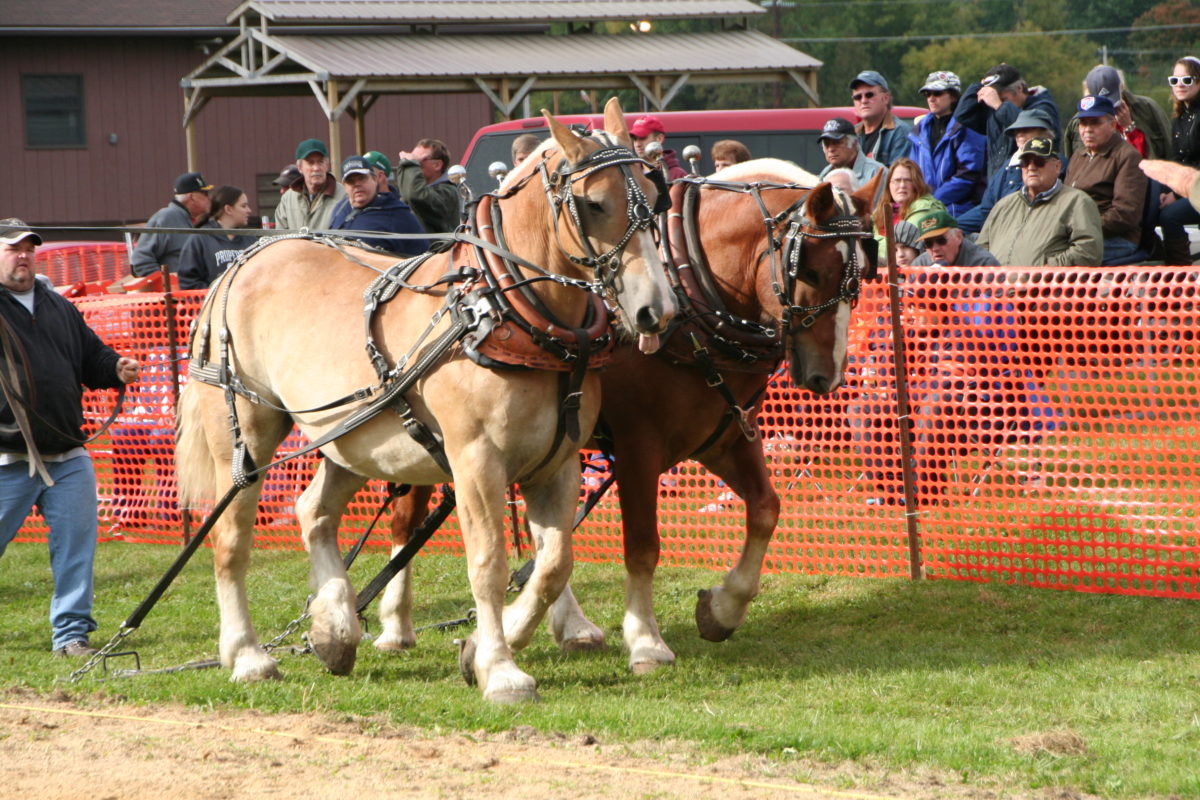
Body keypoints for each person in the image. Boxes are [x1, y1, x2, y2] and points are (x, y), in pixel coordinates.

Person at [0, 219, 140, 656]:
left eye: (28, 248)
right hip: (7, 457)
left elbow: (89, 354)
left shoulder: (57, 305)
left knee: (76, 551)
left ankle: (71, 636)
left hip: (67, 453)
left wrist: (114, 366)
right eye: (12, 248)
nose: (23, 255)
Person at [977, 137, 1103, 267]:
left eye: (1039, 162)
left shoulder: (1077, 201)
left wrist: (1047, 270)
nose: (1031, 168)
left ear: (1057, 166)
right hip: (996, 286)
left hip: (1046, 286)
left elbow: (1089, 250)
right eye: (1025, 162)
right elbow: (981, 248)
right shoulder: (1003, 205)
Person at [1065, 95, 1148, 265]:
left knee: (1056, 253)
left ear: (1112, 125)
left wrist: (1080, 229)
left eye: (1095, 122)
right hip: (1076, 234)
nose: (1087, 129)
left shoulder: (1128, 156)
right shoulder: (1078, 156)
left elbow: (1125, 213)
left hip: (1116, 238)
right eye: (1083, 123)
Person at [957, 107, 1058, 234]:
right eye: (1017, 131)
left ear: (1046, 134)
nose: (1020, 134)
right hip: (997, 232)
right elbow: (986, 210)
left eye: (1027, 129)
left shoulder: (1055, 163)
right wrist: (952, 227)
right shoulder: (1007, 166)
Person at [955, 63, 1061, 180]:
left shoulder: (1043, 106)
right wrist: (982, 84)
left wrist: (1000, 106)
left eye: (1004, 99)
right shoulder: (996, 110)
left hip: (1027, 182)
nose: (996, 102)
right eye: (996, 99)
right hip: (996, 183)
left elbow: (1029, 126)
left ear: (1020, 88)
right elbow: (962, 115)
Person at [907, 70, 986, 217]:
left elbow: (968, 175)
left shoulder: (968, 126)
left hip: (958, 210)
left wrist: (933, 201)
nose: (931, 98)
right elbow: (911, 171)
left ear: (953, 96)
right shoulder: (918, 130)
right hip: (923, 209)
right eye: (927, 94)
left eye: (937, 93)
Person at [1063, 65, 1172, 161]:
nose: (1110, 109)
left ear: (1121, 87)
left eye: (1113, 103)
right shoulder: (1078, 122)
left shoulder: (1148, 108)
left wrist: (1129, 128)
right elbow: (1075, 166)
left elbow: (1166, 151)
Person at [329, 155, 429, 255]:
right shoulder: (339, 209)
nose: (357, 184)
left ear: (375, 179)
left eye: (362, 178)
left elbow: (423, 257)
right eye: (350, 181)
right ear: (344, 186)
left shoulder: (398, 215)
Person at [1154, 57, 1200, 265]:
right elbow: (1176, 160)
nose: (1179, 85)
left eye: (1187, 80)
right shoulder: (1178, 120)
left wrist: (1177, 193)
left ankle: (1182, 275)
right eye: (1174, 80)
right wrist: (1165, 191)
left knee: (1170, 216)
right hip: (1188, 188)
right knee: (1152, 200)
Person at [129, 172, 213, 277]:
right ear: (192, 197)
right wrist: (165, 284)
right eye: (205, 194)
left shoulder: (194, 220)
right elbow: (141, 260)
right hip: (177, 291)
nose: (209, 199)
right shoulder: (166, 218)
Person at [178, 186, 256, 290]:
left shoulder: (250, 239)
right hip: (214, 304)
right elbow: (188, 282)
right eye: (243, 206)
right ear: (228, 209)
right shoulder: (199, 239)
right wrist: (215, 295)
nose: (249, 210)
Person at [871, 157, 944, 259]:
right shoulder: (880, 212)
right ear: (889, 185)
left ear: (917, 184)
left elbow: (902, 243)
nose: (902, 185)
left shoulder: (925, 208)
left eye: (908, 180)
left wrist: (871, 250)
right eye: (897, 181)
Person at [275, 138, 344, 232]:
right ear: (300, 167)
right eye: (310, 163)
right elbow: (279, 237)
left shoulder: (344, 196)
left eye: (320, 162)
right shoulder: (288, 199)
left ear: (327, 165)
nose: (316, 168)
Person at [395, 138, 460, 234]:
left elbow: (416, 196)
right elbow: (407, 194)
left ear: (437, 165)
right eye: (414, 161)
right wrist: (405, 165)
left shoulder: (447, 192)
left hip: (439, 248)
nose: (415, 165)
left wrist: (410, 164)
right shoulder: (415, 189)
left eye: (418, 161)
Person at [849, 70, 913, 166]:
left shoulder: (901, 132)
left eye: (869, 95)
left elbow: (897, 178)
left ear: (886, 98)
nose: (863, 101)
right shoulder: (851, 134)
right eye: (857, 97)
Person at [909, 209, 999, 267]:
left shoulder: (983, 264)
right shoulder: (920, 265)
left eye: (941, 240)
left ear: (959, 237)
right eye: (928, 244)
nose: (935, 248)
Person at [818, 117, 883, 186]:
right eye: (826, 144)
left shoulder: (876, 173)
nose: (831, 149)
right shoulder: (824, 175)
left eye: (836, 142)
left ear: (854, 143)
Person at [629, 115, 688, 180]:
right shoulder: (630, 174)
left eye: (642, 138)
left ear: (659, 139)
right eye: (634, 139)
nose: (637, 144)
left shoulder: (677, 175)